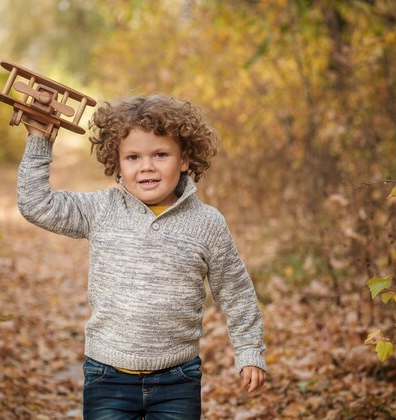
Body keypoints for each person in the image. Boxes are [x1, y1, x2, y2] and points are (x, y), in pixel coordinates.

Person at [17, 94, 267, 419]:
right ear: (117, 162)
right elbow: (37, 205)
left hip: (178, 379)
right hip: (107, 377)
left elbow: (236, 292)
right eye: (133, 157)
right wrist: (39, 140)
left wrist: (249, 350)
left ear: (185, 159)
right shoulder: (103, 209)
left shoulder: (206, 224)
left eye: (160, 154)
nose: (146, 166)